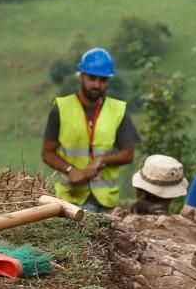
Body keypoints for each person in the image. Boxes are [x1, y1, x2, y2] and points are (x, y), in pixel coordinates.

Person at [41, 47, 140, 212]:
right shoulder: (61, 108)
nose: (97, 84)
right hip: (68, 199)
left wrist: (102, 160)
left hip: (106, 203)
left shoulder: (118, 110)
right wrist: (70, 170)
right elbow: (47, 152)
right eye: (92, 78)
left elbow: (128, 154)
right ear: (81, 76)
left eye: (102, 80)